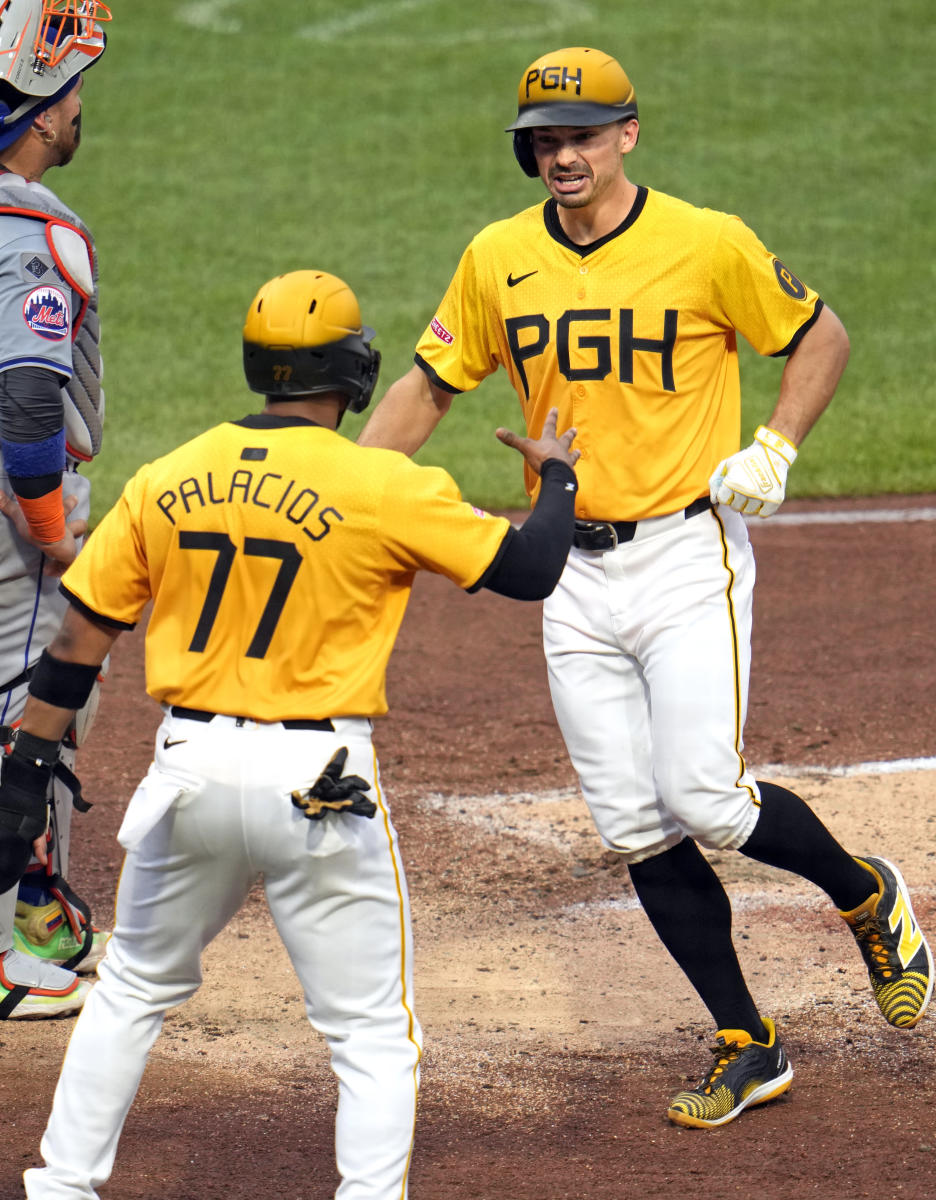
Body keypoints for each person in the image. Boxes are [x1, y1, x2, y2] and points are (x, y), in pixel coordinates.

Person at [358, 46, 934, 1128]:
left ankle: (868, 895)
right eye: (543, 138)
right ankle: (747, 1042)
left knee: (707, 796)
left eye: (580, 134)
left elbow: (822, 335)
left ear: (628, 135)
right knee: (633, 823)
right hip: (567, 566)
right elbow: (432, 384)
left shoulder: (705, 244)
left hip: (683, 556)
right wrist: (352, 481)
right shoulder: (496, 257)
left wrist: (775, 446)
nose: (561, 154)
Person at [10, 267, 579, 1198]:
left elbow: (77, 641)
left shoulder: (169, 475)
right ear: (355, 374)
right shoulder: (380, 483)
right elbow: (531, 568)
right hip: (317, 781)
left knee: (131, 989)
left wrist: (28, 767)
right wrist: (556, 473)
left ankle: (63, 1187)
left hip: (185, 773)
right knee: (367, 1030)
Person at [0, 0, 112, 1020]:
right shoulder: (32, 226)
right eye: (74, 93)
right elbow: (30, 404)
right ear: (43, 112)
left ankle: (34, 905)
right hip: (12, 520)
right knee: (27, 708)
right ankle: (8, 943)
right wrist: (56, 539)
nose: (82, 109)